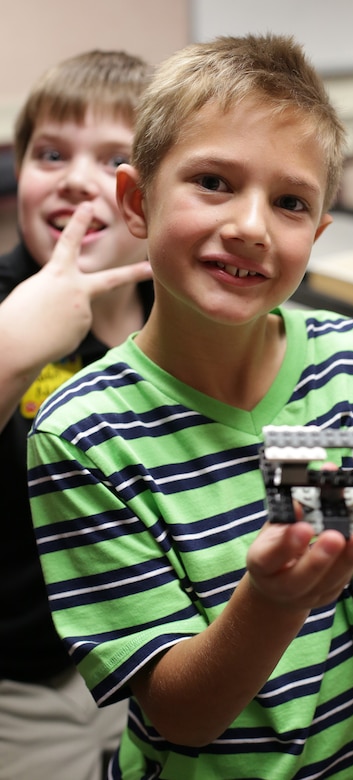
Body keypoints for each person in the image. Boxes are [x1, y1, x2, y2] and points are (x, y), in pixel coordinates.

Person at [26, 35, 353, 780]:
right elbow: (182, 714)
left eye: (290, 202)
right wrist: (273, 599)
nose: (253, 226)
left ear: (316, 235)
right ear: (137, 201)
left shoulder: (351, 366)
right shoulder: (85, 433)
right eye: (215, 182)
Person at [0, 50, 153, 780]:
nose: (75, 180)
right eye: (49, 153)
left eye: (115, 158)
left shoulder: (176, 317)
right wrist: (11, 353)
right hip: (24, 687)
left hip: (151, 655)